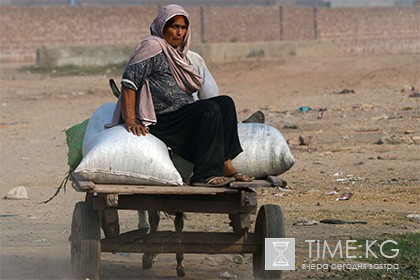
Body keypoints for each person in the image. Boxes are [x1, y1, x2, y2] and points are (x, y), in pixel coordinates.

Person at [107, 4, 253, 186]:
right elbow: (129, 84)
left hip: (182, 113)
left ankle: (225, 162)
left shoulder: (177, 53)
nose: (179, 33)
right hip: (163, 119)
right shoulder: (151, 47)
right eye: (174, 27)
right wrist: (131, 121)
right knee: (209, 108)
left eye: (183, 28)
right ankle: (204, 175)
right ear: (162, 27)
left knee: (225, 103)